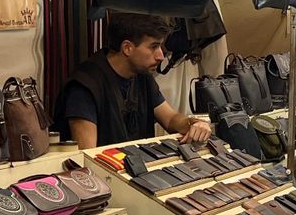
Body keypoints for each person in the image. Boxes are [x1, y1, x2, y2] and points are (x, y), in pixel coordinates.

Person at [53, 11, 212, 149]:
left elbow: (170, 119)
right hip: (104, 177)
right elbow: (86, 155)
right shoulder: (84, 87)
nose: (161, 56)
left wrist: (194, 124)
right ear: (127, 48)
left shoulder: (142, 75)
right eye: (153, 46)